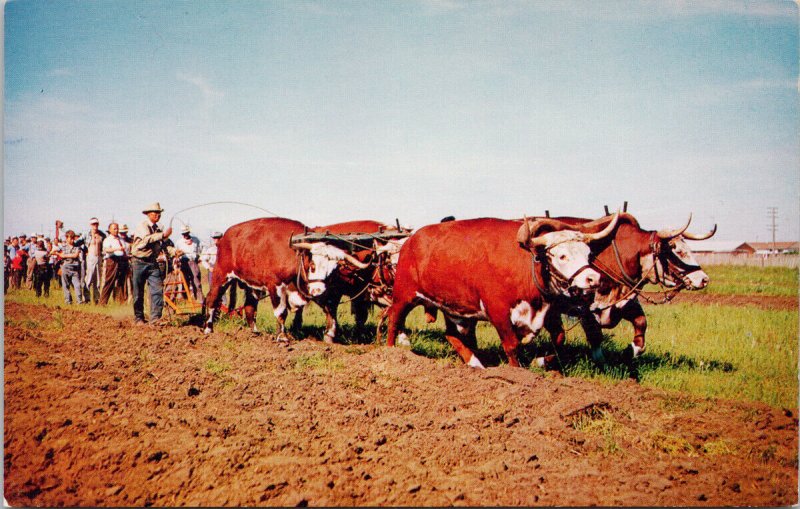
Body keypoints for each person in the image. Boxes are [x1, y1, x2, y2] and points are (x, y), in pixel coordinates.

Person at [130, 202, 178, 324]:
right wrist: (163, 234)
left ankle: (155, 319)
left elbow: (163, 246)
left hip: (153, 262)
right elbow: (147, 239)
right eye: (155, 213)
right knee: (138, 292)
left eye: (159, 213)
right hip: (138, 262)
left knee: (157, 290)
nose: (157, 215)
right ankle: (139, 318)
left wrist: (175, 251)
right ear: (148, 214)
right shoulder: (142, 226)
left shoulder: (158, 228)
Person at [99, 222, 130, 306]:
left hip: (122, 260)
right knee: (109, 282)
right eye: (114, 229)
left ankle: (121, 302)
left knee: (121, 282)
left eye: (117, 228)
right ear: (109, 230)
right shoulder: (108, 239)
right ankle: (102, 303)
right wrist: (117, 249)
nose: (116, 230)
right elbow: (106, 250)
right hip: (112, 260)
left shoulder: (121, 239)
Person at [174, 225, 203, 303]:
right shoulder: (179, 242)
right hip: (183, 262)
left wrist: (198, 257)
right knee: (185, 281)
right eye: (183, 234)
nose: (185, 235)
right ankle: (186, 300)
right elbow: (176, 252)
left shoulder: (195, 240)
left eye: (186, 233)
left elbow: (200, 249)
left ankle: (199, 299)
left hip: (193, 262)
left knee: (196, 281)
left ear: (189, 232)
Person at [56, 230, 84, 304]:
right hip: (65, 267)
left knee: (77, 285)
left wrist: (64, 255)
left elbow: (75, 255)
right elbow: (53, 251)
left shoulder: (77, 247)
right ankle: (68, 301)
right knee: (65, 285)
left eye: (72, 238)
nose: (71, 240)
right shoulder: (63, 247)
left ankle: (79, 301)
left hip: (75, 269)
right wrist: (58, 254)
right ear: (66, 238)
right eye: (69, 238)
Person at [84, 217, 105, 304]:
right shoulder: (86, 235)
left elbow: (104, 246)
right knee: (88, 278)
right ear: (90, 225)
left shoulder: (102, 235)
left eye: (96, 224)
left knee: (98, 280)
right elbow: (78, 243)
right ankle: (86, 298)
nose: (95, 226)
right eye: (93, 224)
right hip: (90, 257)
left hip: (99, 257)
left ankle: (97, 298)